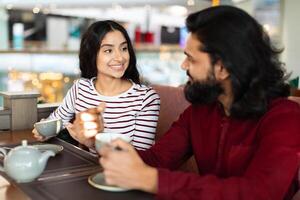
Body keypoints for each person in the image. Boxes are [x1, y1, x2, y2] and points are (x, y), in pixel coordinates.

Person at [71, 6, 300, 200]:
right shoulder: (200, 111)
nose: (183, 66)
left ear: (222, 67)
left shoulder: (285, 117)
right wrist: (98, 141)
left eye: (191, 58)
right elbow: (157, 159)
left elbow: (261, 193)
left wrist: (153, 180)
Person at [33, 20, 160, 150]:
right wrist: (43, 133)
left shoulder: (146, 99)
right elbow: (56, 121)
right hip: (85, 168)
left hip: (121, 170)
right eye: (108, 50)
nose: (120, 58)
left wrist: (92, 143)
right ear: (92, 54)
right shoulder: (80, 89)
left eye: (124, 48)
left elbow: (140, 159)